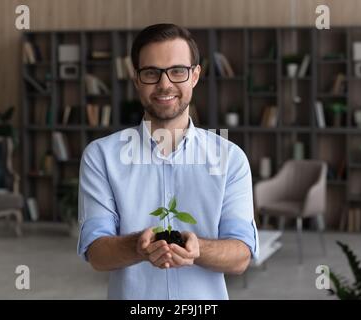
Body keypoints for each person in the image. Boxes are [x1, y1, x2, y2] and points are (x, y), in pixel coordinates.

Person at [77, 23, 259, 300]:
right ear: (136, 78)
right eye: (151, 73)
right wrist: (138, 247)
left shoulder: (230, 158)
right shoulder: (101, 156)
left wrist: (199, 249)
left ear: (195, 76)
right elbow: (97, 254)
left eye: (177, 71)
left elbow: (241, 256)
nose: (165, 84)